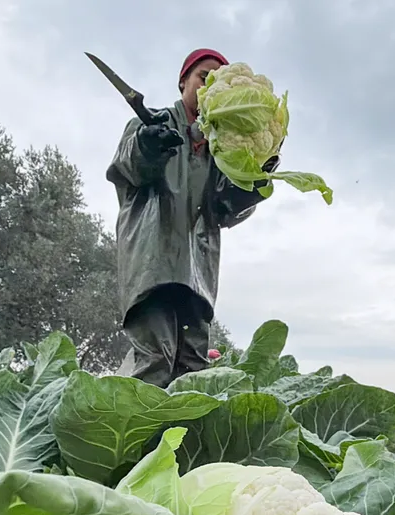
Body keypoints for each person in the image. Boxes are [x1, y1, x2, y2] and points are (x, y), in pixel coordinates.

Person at [106, 48, 279, 388]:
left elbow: (226, 210)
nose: (209, 84)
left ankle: (182, 442)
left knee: (192, 368)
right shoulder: (147, 124)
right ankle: (127, 439)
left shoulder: (223, 155)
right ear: (183, 80)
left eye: (218, 80)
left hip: (198, 271)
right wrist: (147, 146)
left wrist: (256, 178)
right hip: (152, 262)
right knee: (155, 359)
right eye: (204, 76)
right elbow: (127, 168)